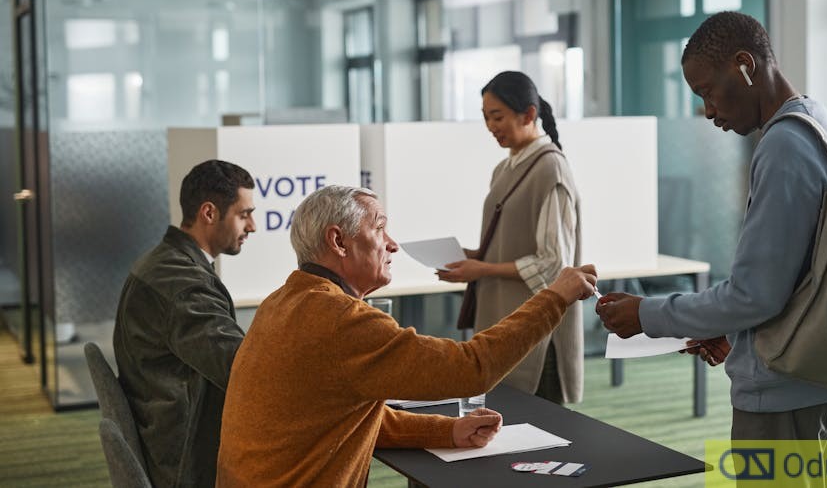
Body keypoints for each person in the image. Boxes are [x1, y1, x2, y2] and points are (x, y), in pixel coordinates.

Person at [597, 12, 827, 452]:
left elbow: (753, 295)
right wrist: (736, 333)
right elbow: (804, 272)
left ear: (745, 64)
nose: (707, 110)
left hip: (782, 393)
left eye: (707, 91)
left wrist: (646, 315)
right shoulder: (825, 124)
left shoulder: (783, 145)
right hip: (822, 375)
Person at [216, 185, 597, 487]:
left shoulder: (281, 303)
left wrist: (448, 430)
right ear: (338, 241)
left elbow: (342, 416)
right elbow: (471, 369)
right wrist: (554, 297)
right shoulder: (340, 320)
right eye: (380, 228)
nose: (392, 243)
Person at [437, 70, 583, 405]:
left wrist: (482, 270)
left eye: (498, 116)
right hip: (506, 324)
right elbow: (510, 244)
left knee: (542, 436)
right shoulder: (505, 169)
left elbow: (553, 265)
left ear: (529, 114)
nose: (491, 126)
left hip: (537, 331)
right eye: (486, 117)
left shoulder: (551, 169)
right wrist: (474, 256)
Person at [113, 159, 256, 488]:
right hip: (186, 457)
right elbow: (242, 369)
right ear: (209, 213)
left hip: (165, 429)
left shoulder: (166, 262)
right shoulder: (181, 284)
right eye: (244, 214)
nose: (253, 226)